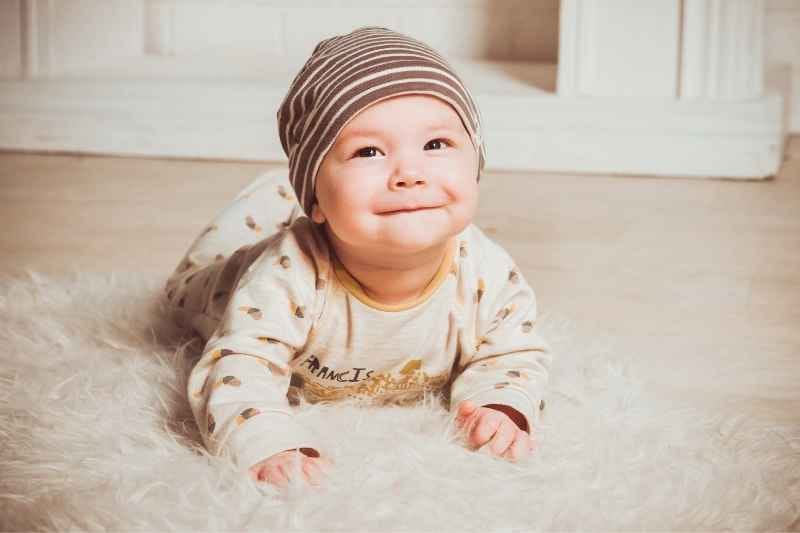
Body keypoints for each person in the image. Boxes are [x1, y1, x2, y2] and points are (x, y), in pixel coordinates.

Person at [163, 26, 552, 488]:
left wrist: (500, 404)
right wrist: (269, 442)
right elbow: (238, 365)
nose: (410, 174)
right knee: (192, 280)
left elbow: (514, 352)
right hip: (224, 284)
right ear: (315, 199)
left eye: (436, 145)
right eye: (368, 151)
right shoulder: (286, 274)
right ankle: (277, 193)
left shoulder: (486, 271)